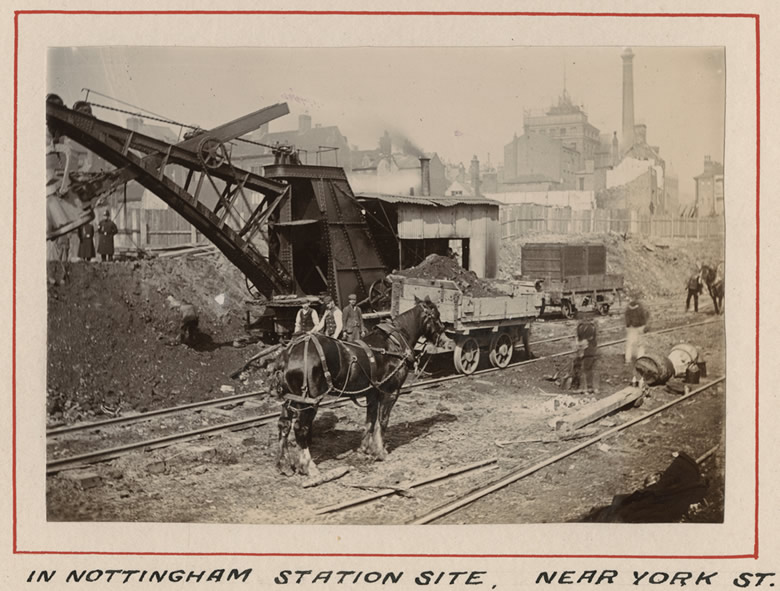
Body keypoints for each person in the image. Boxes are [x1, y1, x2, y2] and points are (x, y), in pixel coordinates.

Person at [571, 319, 599, 394]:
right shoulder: (592, 327)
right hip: (590, 351)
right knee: (590, 369)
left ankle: (584, 388)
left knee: (583, 369)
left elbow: (580, 342)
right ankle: (591, 387)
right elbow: (594, 342)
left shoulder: (580, 327)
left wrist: (580, 351)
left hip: (587, 352)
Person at [625, 291, 649, 365]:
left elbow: (626, 317)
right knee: (640, 345)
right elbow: (645, 316)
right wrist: (644, 325)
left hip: (631, 328)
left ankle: (627, 360)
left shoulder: (628, 307)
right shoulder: (641, 307)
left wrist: (628, 325)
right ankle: (640, 359)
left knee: (629, 344)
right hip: (640, 327)